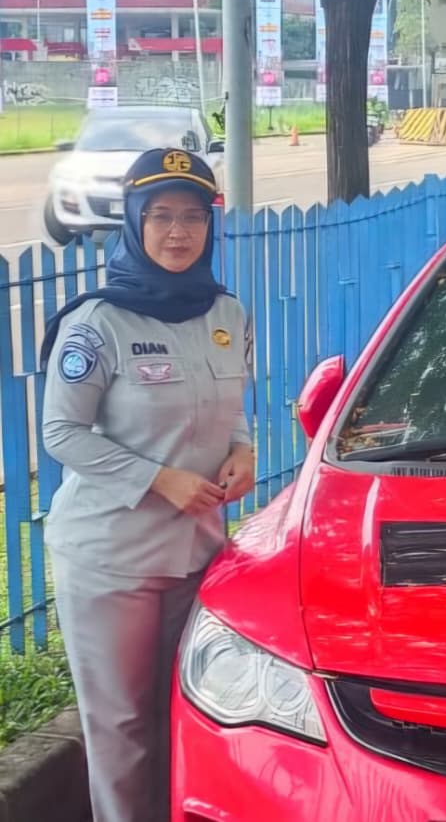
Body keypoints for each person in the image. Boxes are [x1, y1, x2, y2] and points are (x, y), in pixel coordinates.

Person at [39, 148, 254, 822]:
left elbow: (231, 407)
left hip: (197, 552)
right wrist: (158, 479)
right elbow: (61, 433)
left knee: (189, 712)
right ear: (133, 222)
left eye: (192, 217)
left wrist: (244, 450)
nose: (178, 232)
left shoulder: (226, 313)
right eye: (160, 216)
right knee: (123, 729)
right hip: (113, 559)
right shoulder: (98, 323)